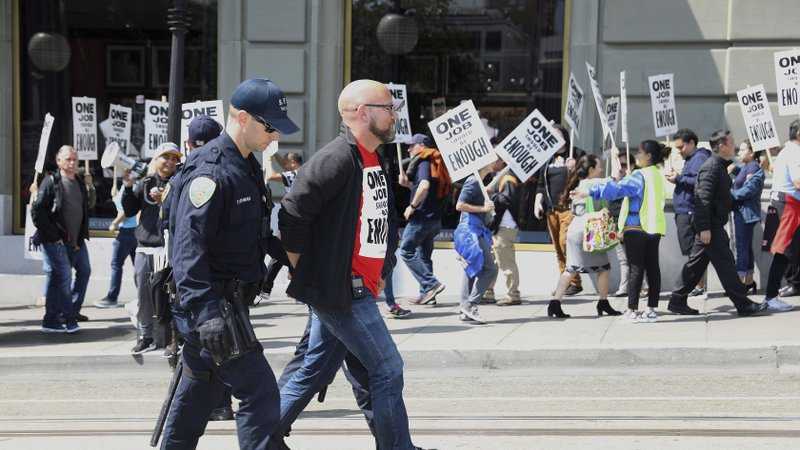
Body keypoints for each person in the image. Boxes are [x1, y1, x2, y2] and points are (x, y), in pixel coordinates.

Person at [277, 79, 430, 450]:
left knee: (314, 368)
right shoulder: (336, 158)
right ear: (362, 113)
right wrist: (307, 271)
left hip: (356, 287)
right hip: (343, 292)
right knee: (388, 369)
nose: (395, 115)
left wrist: (384, 264)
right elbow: (291, 216)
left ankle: (260, 436)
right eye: (388, 108)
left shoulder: (372, 156)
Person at [161, 78, 298, 449]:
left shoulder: (247, 166)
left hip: (229, 306)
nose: (274, 137)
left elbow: (254, 233)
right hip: (212, 308)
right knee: (260, 394)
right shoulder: (210, 171)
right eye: (269, 127)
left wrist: (292, 258)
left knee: (197, 396)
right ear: (240, 117)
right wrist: (207, 314)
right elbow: (187, 250)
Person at [668, 130, 768, 317]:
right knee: (727, 264)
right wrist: (704, 227)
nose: (734, 147)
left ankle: (677, 300)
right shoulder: (711, 167)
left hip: (712, 225)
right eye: (731, 143)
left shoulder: (719, 166)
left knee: (695, 265)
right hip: (710, 227)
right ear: (721, 146)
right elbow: (702, 199)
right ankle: (743, 304)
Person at [580, 141, 669, 322]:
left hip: (636, 226)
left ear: (648, 156)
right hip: (655, 227)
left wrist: (591, 190)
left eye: (640, 153)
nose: (636, 156)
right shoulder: (658, 175)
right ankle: (651, 309)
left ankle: (632, 310)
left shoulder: (639, 174)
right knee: (652, 268)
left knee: (635, 269)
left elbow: (618, 190)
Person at [122, 142, 182, 354]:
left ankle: (170, 339)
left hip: (167, 248)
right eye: (166, 157)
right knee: (144, 295)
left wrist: (165, 199)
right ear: (156, 159)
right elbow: (130, 210)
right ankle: (145, 336)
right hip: (145, 246)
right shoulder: (145, 182)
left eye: (175, 158)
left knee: (167, 295)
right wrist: (128, 187)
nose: (170, 162)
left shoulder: (179, 182)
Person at [31, 145, 96, 332]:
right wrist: (53, 236)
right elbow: (37, 211)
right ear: (58, 161)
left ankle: (69, 311)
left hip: (77, 241)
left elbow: (89, 206)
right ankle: (61, 318)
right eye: (68, 159)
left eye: (75, 159)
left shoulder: (80, 181)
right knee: (62, 278)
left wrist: (90, 186)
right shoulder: (51, 181)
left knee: (83, 272)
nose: (72, 162)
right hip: (57, 241)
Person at [549, 155, 621, 318]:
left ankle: (555, 303)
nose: (601, 169)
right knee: (603, 268)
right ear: (591, 170)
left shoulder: (577, 183)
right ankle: (602, 303)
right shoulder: (594, 183)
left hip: (576, 229)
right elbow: (615, 179)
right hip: (590, 231)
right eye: (599, 167)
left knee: (572, 269)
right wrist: (615, 158)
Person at [399, 133, 449, 306]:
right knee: (424, 256)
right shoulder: (432, 163)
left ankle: (431, 284)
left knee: (406, 251)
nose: (409, 149)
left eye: (412, 145)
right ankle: (428, 295)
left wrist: (411, 206)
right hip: (434, 219)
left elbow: (425, 186)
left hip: (421, 218)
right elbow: (426, 186)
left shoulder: (423, 162)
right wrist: (407, 184)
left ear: (421, 146)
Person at [535, 125, 583, 295]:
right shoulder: (547, 159)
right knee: (557, 247)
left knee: (565, 243)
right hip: (551, 210)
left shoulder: (576, 153)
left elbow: (588, 173)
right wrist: (538, 201)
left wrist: (575, 168)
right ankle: (566, 282)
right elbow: (541, 183)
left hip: (568, 208)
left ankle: (575, 281)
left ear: (565, 136)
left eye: (558, 135)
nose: (554, 138)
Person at [666, 128, 711, 298]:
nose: (679, 151)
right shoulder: (693, 158)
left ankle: (699, 286)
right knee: (692, 251)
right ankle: (698, 285)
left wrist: (678, 178)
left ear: (691, 143)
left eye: (681, 147)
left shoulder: (699, 158)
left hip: (690, 211)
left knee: (694, 252)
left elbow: (700, 183)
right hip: (685, 210)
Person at [762, 120, 800, 312]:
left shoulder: (787, 151)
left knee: (786, 253)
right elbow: (798, 181)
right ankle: (770, 296)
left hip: (785, 205)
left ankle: (772, 295)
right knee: (783, 253)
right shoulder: (795, 152)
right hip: (789, 206)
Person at [454, 165, 498, 324]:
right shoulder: (473, 181)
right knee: (491, 269)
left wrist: (487, 192)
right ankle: (471, 305)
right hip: (470, 231)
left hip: (475, 229)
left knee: (471, 269)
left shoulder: (477, 182)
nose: (495, 162)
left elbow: (478, 194)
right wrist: (483, 208)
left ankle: (465, 308)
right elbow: (459, 205)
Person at [261, 152, 304, 298]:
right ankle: (268, 287)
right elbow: (284, 164)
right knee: (283, 252)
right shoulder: (300, 171)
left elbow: (272, 176)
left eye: (286, 163)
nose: (283, 166)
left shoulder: (296, 174)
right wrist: (273, 153)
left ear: (293, 163)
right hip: (294, 220)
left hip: (293, 221)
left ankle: (267, 287)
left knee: (281, 251)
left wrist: (267, 160)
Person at [484, 160, 522, 306]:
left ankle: (513, 294)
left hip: (505, 226)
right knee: (496, 260)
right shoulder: (501, 177)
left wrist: (490, 195)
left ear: (501, 161)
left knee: (506, 262)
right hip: (501, 226)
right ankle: (488, 291)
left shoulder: (507, 178)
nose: (491, 162)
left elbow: (506, 199)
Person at [94, 186, 138, 309]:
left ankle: (112, 297)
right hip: (133, 231)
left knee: (116, 265)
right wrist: (116, 196)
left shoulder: (132, 187)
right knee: (138, 267)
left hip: (127, 231)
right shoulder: (128, 187)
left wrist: (114, 223)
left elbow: (127, 211)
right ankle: (144, 296)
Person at [730, 140, 764, 293]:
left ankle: (741, 283)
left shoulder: (754, 168)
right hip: (742, 212)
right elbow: (743, 180)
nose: (739, 153)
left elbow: (747, 190)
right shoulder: (746, 167)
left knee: (742, 248)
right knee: (745, 248)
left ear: (752, 152)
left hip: (745, 213)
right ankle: (748, 282)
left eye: (743, 150)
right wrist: (736, 170)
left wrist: (728, 195)